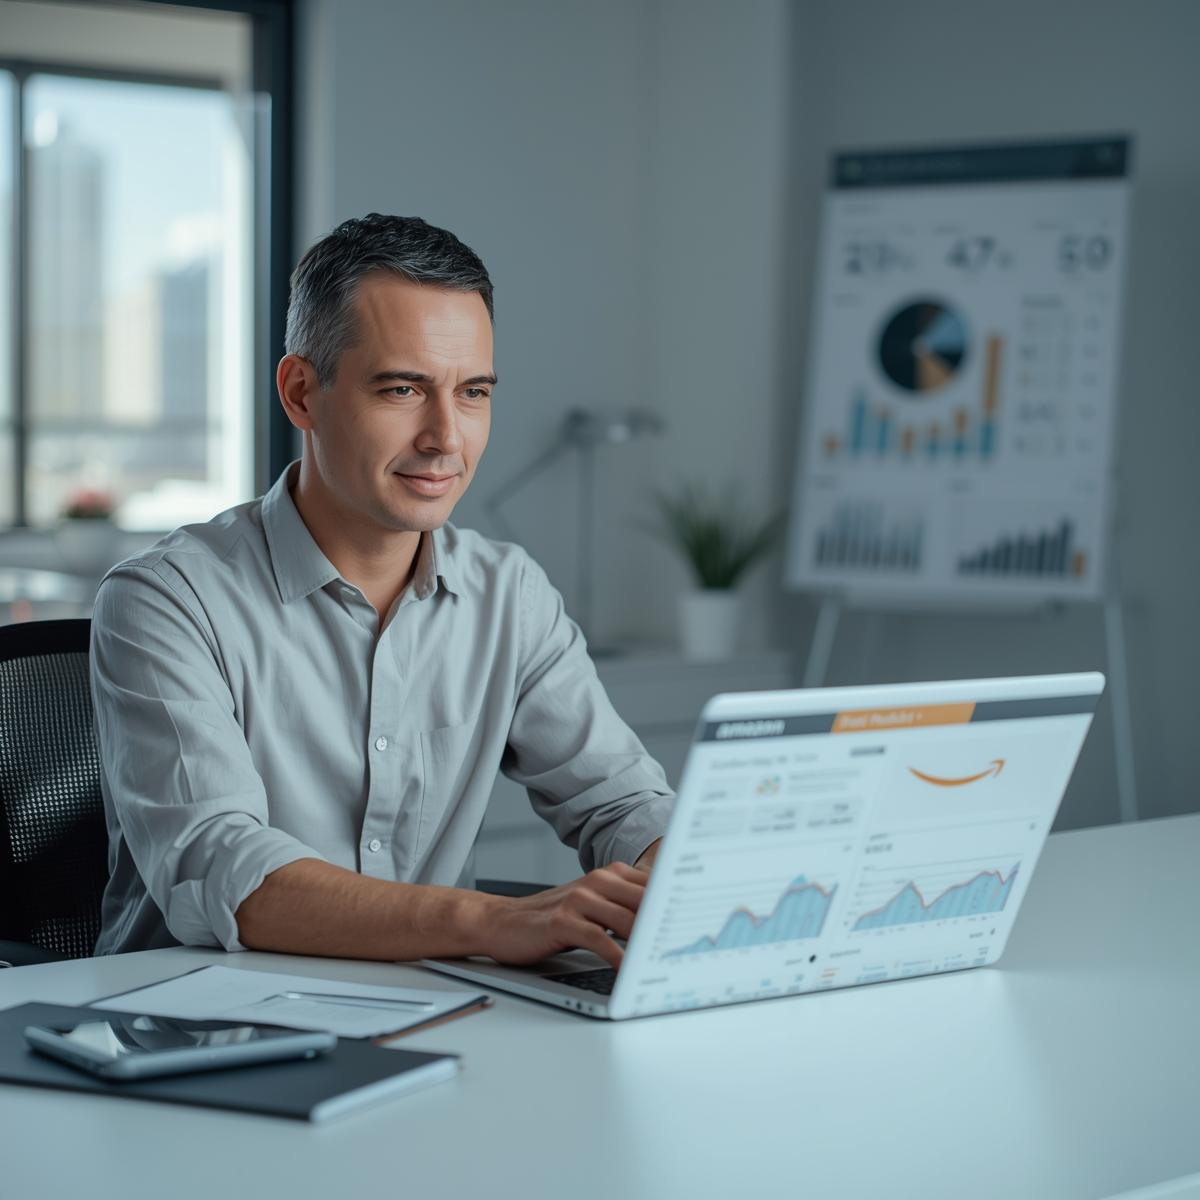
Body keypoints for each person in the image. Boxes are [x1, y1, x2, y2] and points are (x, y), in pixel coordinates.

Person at [92, 214, 672, 969]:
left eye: (472, 393)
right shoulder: (167, 599)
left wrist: (675, 872)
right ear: (302, 393)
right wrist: (495, 922)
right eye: (403, 389)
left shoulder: (510, 595)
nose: (445, 438)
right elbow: (223, 867)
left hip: (437, 1017)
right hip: (197, 1031)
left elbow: (624, 805)